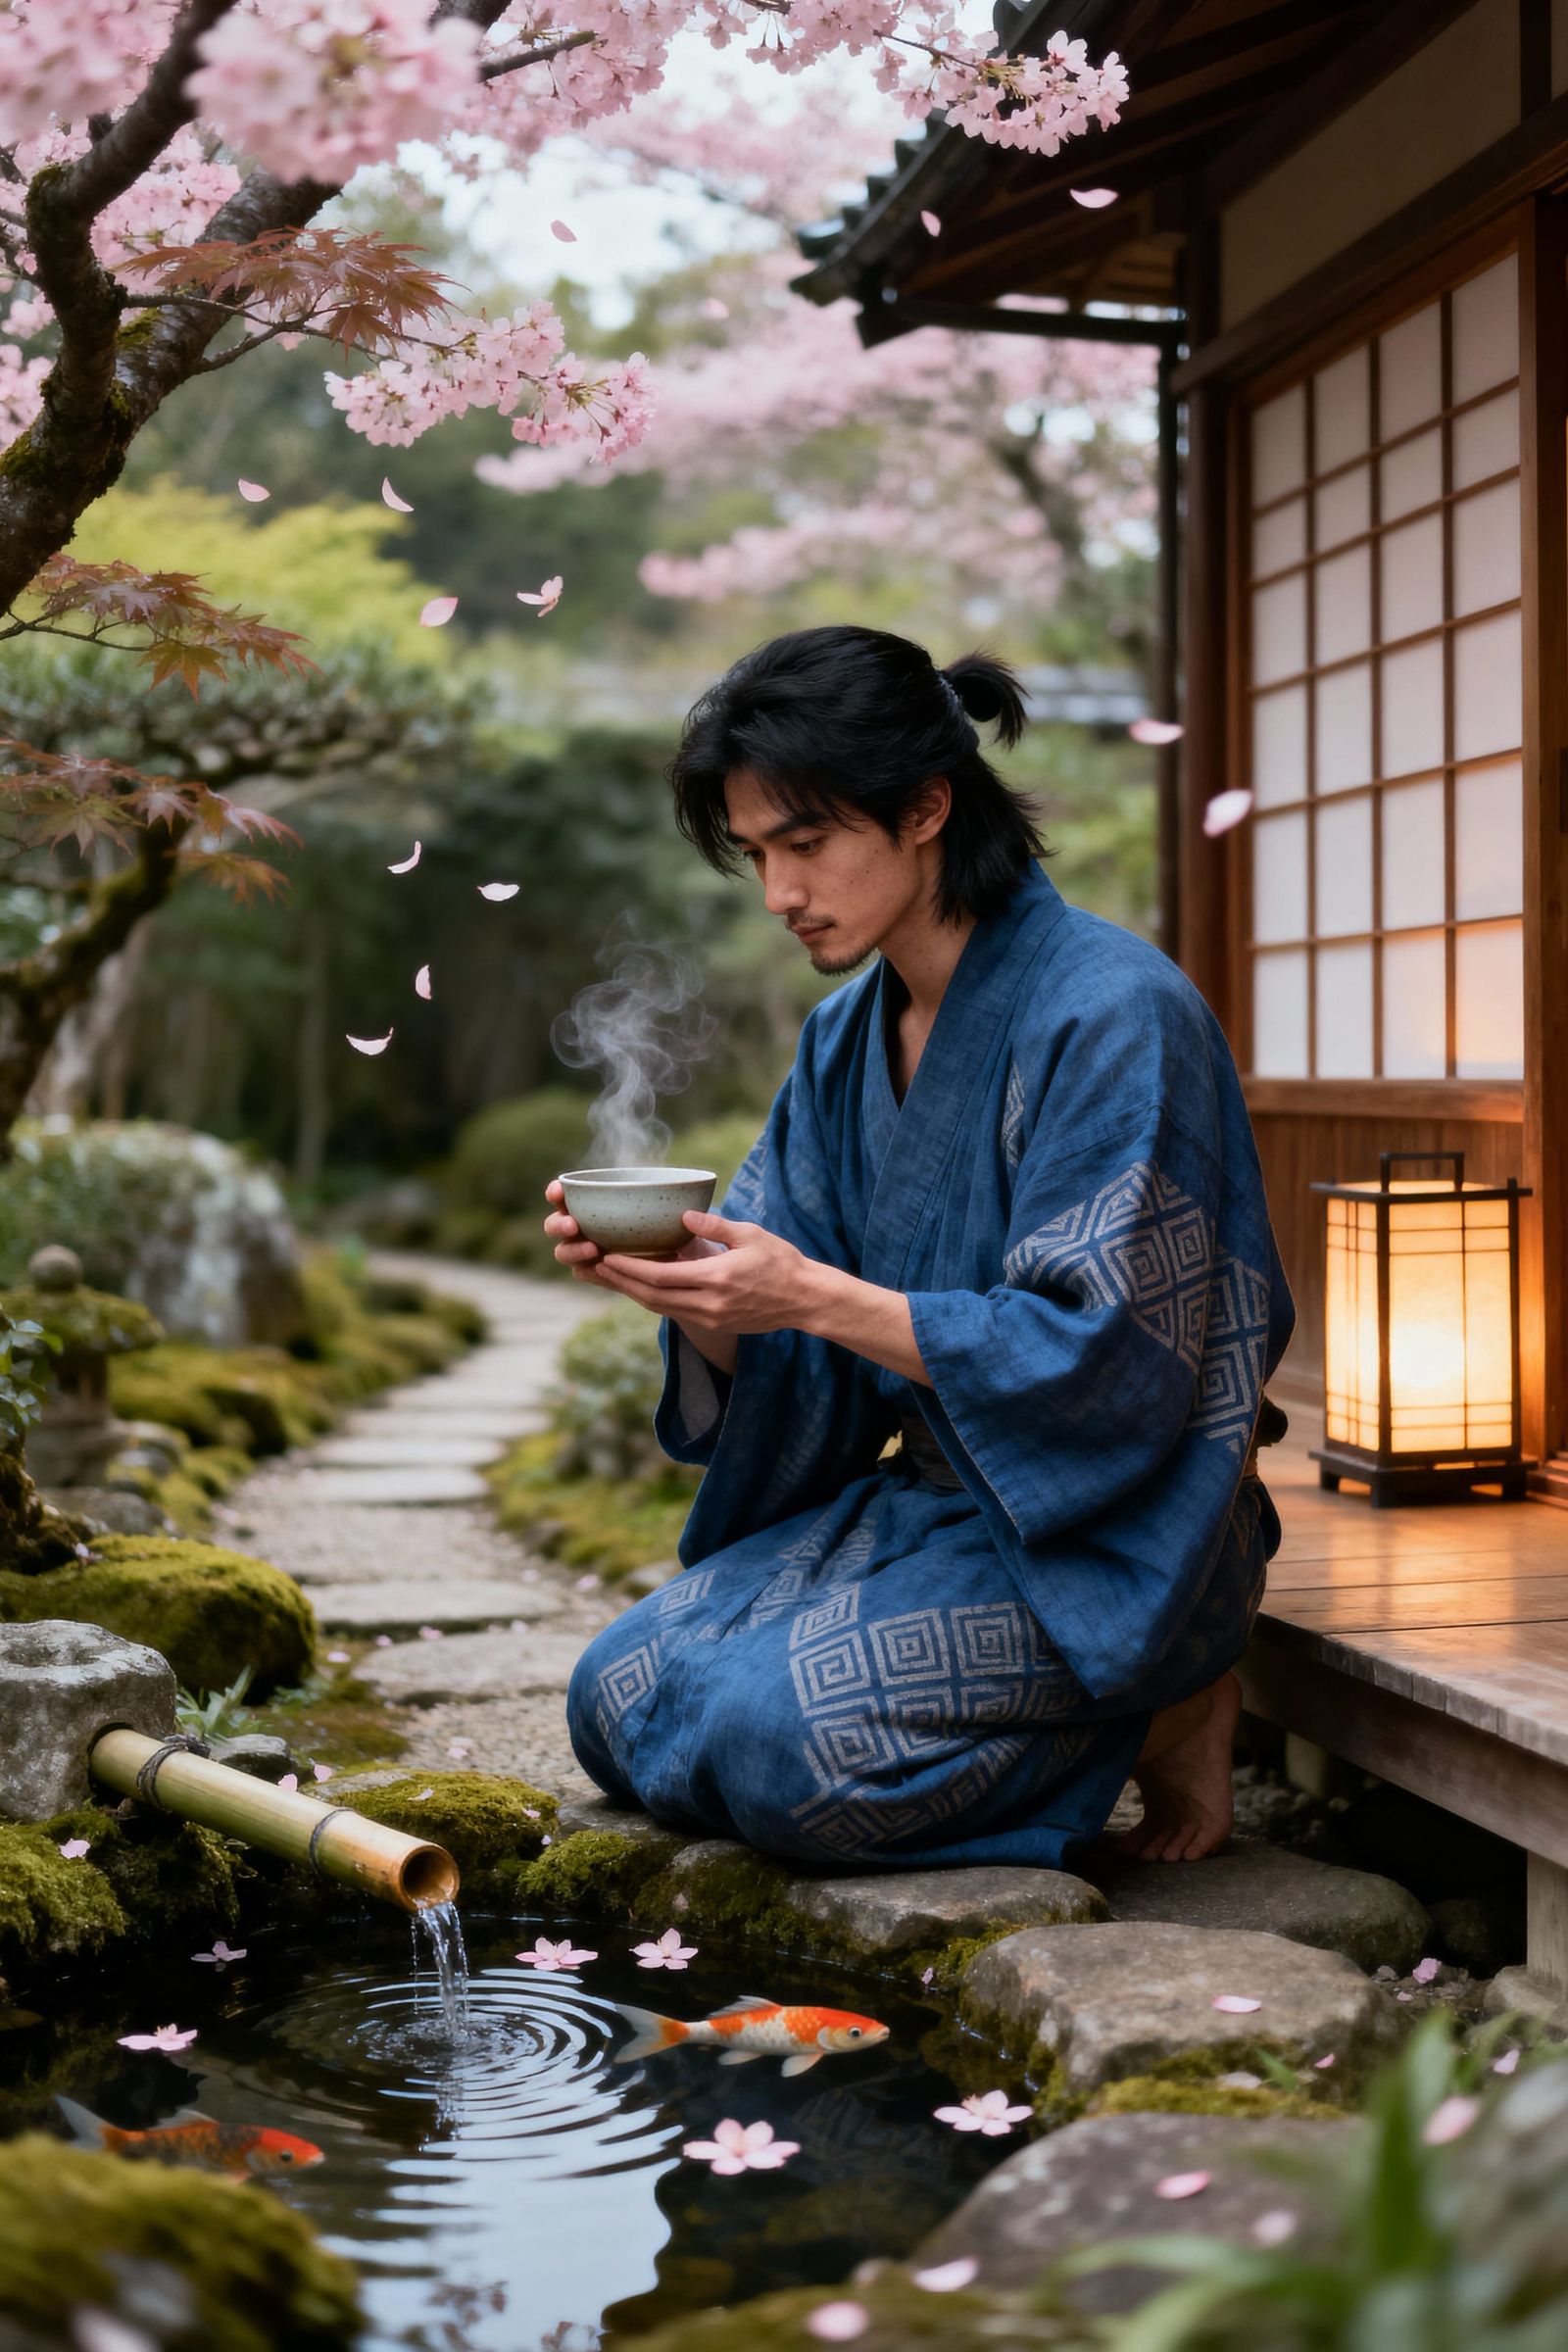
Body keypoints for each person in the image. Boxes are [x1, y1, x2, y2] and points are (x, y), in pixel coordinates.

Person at [547, 625, 1294, 1873]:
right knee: (616, 1698)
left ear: (925, 809)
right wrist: (694, 1298)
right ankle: (1114, 1705)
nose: (780, 892)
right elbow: (799, 1329)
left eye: (807, 843)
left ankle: (1169, 1693)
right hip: (939, 1501)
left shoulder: (1114, 1012)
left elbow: (1110, 1360)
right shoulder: (844, 1038)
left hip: (1118, 1529)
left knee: (781, 1752)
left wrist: (811, 1294)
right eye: (756, 855)